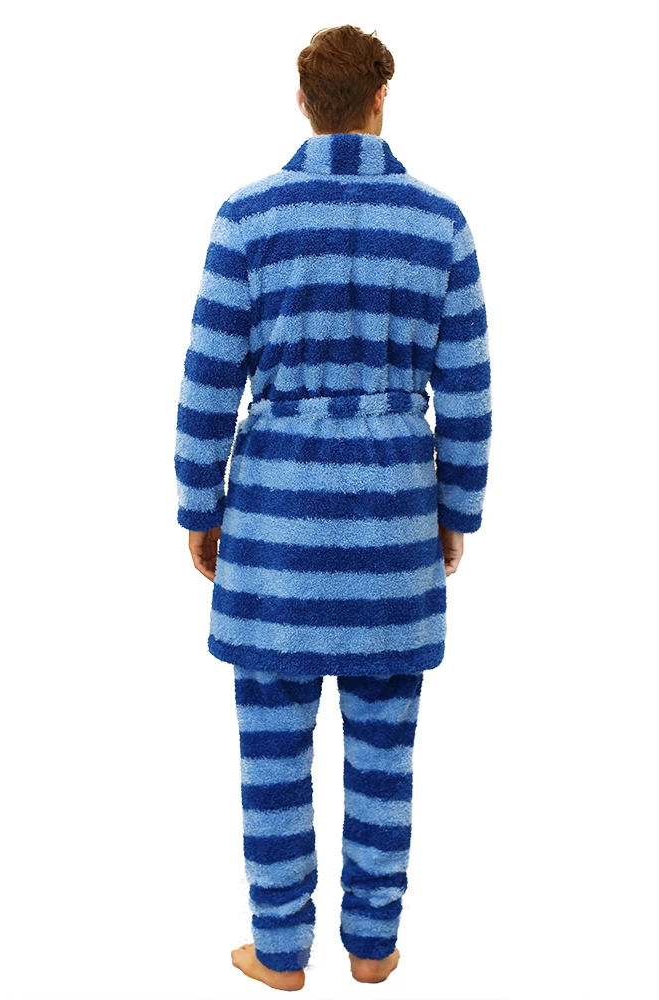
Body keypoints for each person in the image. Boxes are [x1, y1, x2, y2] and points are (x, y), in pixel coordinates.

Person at [174, 24, 491, 991]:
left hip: (275, 531)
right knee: (386, 755)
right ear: (381, 97)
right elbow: (468, 391)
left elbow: (207, 378)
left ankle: (279, 952)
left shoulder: (247, 219)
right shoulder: (439, 225)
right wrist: (457, 512)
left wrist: (198, 506)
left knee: (270, 756)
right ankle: (373, 946)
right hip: (393, 529)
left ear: (303, 103)